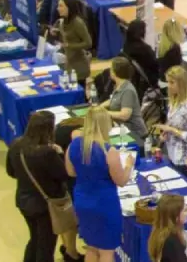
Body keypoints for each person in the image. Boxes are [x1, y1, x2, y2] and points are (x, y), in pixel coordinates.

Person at [69, 107, 134, 262]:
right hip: (104, 205)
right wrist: (129, 165)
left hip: (82, 201)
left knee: (91, 247)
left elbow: (71, 172)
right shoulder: (108, 151)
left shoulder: (74, 144)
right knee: (106, 252)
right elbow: (122, 181)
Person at [10, 111, 75, 262]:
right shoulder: (47, 153)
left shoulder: (16, 145)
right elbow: (64, 175)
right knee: (46, 246)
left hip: (24, 201)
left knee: (34, 239)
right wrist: (60, 154)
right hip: (45, 206)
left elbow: (11, 171)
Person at [158, 66, 187, 169]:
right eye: (168, 82)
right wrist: (165, 134)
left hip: (185, 159)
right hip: (172, 153)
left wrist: (172, 130)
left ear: (182, 84)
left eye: (172, 82)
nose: (168, 85)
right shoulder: (173, 101)